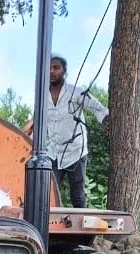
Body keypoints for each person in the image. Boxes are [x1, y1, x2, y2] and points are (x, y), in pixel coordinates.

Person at [27, 54, 108, 208]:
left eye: (56, 68)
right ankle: (51, 223)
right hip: (54, 152)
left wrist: (106, 119)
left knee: (77, 196)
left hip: (75, 152)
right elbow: (37, 123)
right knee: (48, 193)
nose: (52, 71)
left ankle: (82, 225)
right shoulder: (42, 97)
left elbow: (96, 107)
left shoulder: (75, 92)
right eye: (49, 68)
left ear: (64, 71)